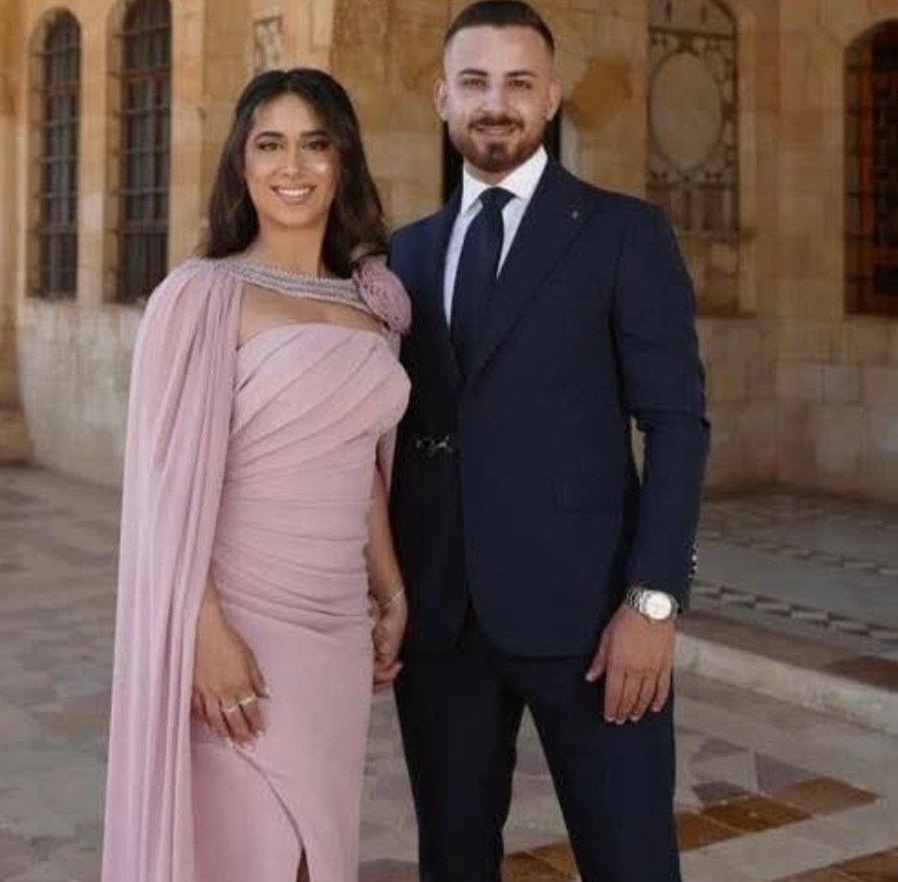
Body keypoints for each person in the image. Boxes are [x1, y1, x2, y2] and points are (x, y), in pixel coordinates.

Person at [388, 3, 709, 881]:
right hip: (442, 628)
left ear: (553, 97)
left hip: (595, 624)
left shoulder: (622, 233)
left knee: (631, 863)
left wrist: (653, 602)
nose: (497, 104)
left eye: (519, 83)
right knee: (453, 864)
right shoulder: (404, 256)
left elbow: (676, 423)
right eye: (476, 83)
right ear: (443, 97)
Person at [101, 68, 412, 882]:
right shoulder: (200, 295)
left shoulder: (374, 305)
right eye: (269, 145)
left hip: (335, 631)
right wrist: (201, 632)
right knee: (249, 856)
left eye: (315, 144)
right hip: (239, 617)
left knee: (316, 858)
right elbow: (161, 486)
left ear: (343, 161)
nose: (293, 166)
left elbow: (362, 462)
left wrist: (391, 592)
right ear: (241, 164)